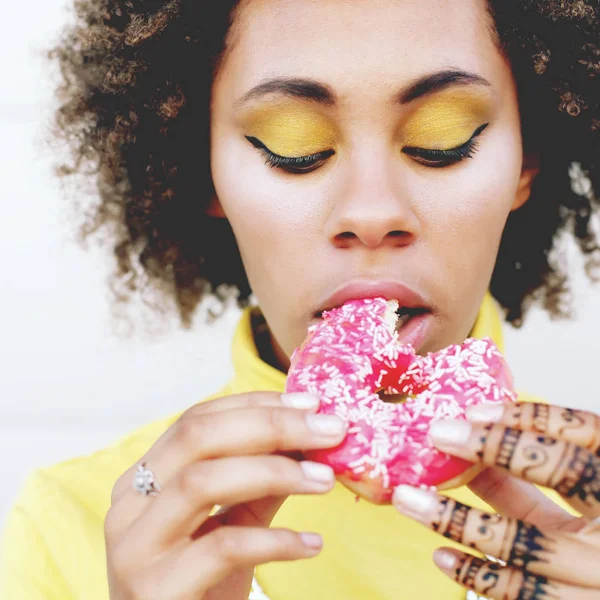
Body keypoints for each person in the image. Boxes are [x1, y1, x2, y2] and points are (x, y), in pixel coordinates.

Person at [1, 0, 599, 598]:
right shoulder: (67, 528)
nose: (371, 213)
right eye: (292, 147)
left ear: (527, 162)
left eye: (444, 139)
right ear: (203, 172)